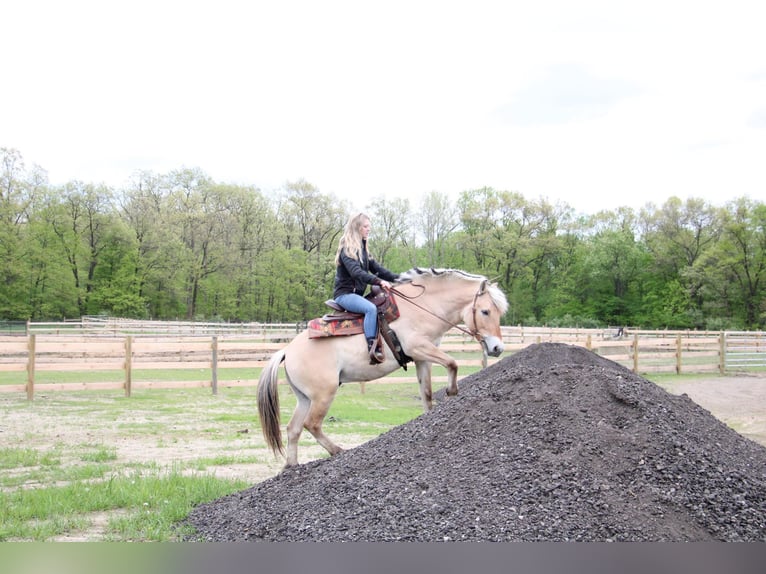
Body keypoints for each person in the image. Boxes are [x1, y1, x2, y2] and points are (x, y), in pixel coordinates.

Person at [333, 212, 399, 364]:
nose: (368, 229)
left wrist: (400, 278)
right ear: (357, 228)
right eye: (365, 226)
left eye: (369, 226)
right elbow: (357, 273)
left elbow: (379, 270)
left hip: (356, 295)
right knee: (371, 309)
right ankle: (372, 347)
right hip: (345, 295)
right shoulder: (347, 250)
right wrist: (379, 282)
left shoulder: (363, 250)